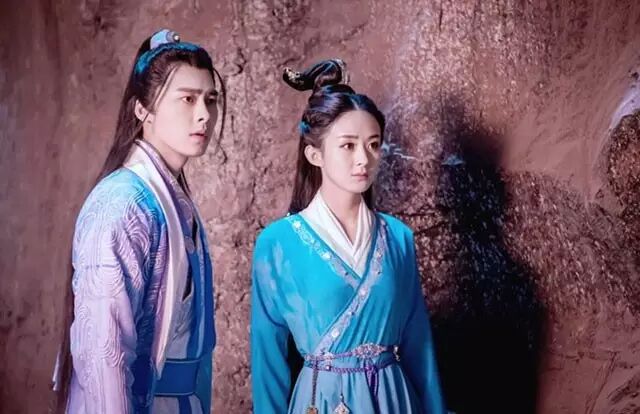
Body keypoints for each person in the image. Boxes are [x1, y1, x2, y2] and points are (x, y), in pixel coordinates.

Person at [250, 59, 445, 414]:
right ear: (315, 154)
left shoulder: (398, 238)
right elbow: (268, 361)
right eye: (348, 145)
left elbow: (419, 346)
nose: (364, 159)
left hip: (393, 400)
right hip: (322, 402)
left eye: (373, 145)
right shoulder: (277, 243)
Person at [52, 29, 225, 414]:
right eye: (188, 99)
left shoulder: (175, 201)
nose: (204, 114)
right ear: (142, 110)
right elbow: (104, 353)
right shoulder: (123, 204)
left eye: (210, 100)